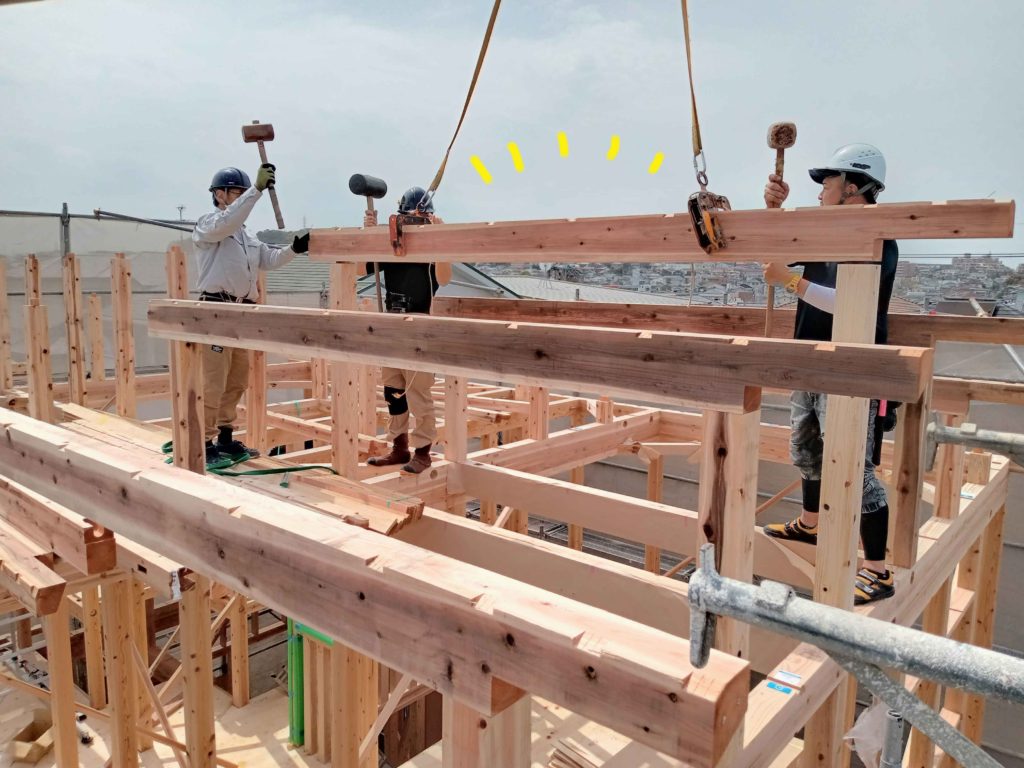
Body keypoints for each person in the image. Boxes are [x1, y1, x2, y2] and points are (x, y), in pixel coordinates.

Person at [761, 144, 899, 605]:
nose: (820, 192)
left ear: (853, 186)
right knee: (807, 450)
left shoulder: (878, 240)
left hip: (852, 369)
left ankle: (877, 570)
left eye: (828, 183)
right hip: (812, 361)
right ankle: (810, 524)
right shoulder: (825, 235)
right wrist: (773, 209)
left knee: (855, 469)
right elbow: (778, 251)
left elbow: (852, 304)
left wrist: (790, 281)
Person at [193, 164, 309, 465]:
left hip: (240, 313)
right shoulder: (209, 225)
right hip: (217, 310)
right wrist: (256, 190)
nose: (241, 197)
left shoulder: (247, 237)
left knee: (236, 378)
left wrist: (294, 249)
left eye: (242, 192)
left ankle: (225, 437)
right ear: (219, 194)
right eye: (236, 192)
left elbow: (268, 259)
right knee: (213, 380)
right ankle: (202, 443)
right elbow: (228, 221)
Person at [363, 186, 452, 474]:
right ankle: (399, 447)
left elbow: (444, 278)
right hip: (393, 323)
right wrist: (370, 236)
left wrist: (440, 239)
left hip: (419, 328)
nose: (414, 223)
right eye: (410, 218)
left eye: (421, 218)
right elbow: (359, 269)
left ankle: (423, 451)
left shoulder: (430, 252)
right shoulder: (392, 247)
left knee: (418, 393)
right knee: (393, 390)